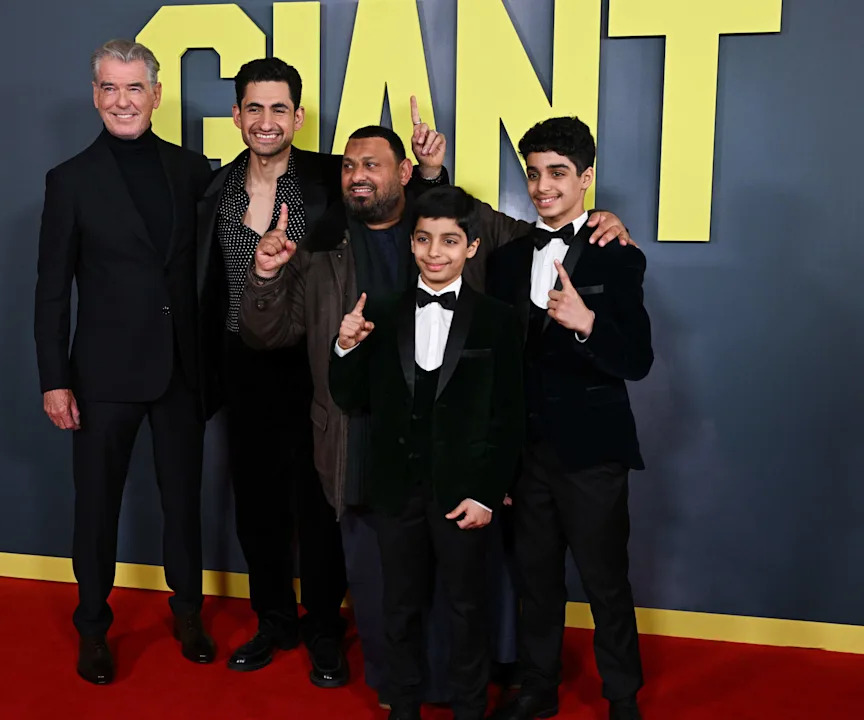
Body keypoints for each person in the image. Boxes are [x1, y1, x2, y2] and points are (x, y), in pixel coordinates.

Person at [239, 122, 631, 704]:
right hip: (367, 456)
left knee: (474, 595)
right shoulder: (322, 250)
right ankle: (404, 694)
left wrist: (601, 226)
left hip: (469, 463)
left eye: (373, 164)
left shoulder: (480, 252)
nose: (358, 176)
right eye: (349, 166)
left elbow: (542, 239)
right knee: (392, 594)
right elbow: (277, 338)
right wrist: (275, 282)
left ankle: (491, 695)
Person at [195, 58, 447, 687]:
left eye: (279, 108)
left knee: (320, 503)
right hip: (241, 362)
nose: (266, 120)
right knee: (255, 502)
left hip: (316, 361)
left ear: (298, 117)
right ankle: (272, 618)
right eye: (254, 107)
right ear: (237, 115)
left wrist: (433, 172)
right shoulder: (216, 188)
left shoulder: (331, 178)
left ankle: (324, 630)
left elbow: (399, 211)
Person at [34, 39, 216, 684]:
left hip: (179, 374)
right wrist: (54, 380)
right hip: (103, 377)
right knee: (97, 509)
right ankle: (93, 626)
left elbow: (212, 276)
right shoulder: (70, 180)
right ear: (95, 96)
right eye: (109, 88)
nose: (122, 101)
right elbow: (52, 290)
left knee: (183, 505)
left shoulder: (194, 172)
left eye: (134, 88)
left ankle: (188, 614)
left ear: (156, 95)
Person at [329, 186, 525, 720]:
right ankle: (404, 706)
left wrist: (487, 494)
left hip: (465, 495)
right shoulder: (384, 311)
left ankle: (468, 707)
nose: (435, 252)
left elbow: (509, 417)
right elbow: (350, 399)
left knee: (467, 607)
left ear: (472, 247)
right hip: (396, 491)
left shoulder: (498, 320)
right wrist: (345, 346)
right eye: (423, 239)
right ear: (411, 245)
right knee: (399, 608)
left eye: (449, 240)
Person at [486, 117, 653, 720]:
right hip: (527, 457)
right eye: (532, 174)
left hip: (593, 455)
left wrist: (587, 323)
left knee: (606, 584)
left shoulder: (618, 256)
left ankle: (621, 696)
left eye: (557, 174)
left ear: (586, 178)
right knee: (536, 583)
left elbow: (637, 360)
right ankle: (537, 686)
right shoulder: (505, 261)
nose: (542, 187)